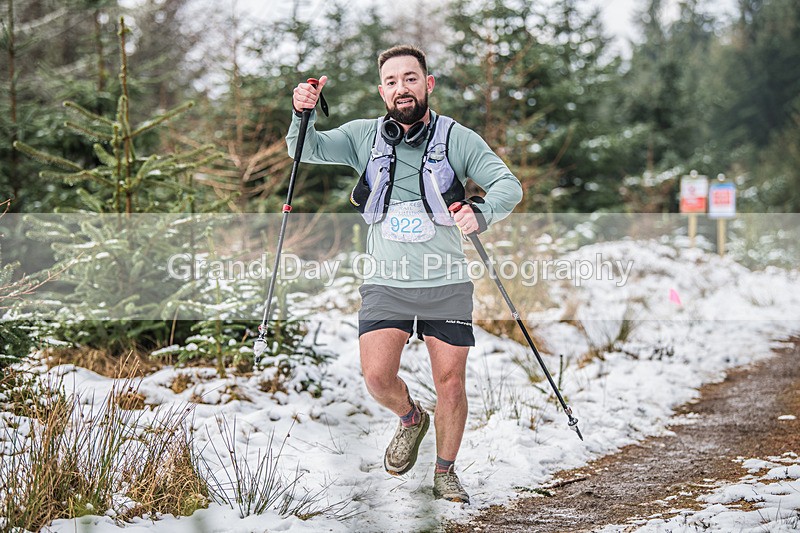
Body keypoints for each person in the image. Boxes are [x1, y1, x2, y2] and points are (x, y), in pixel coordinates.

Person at [287, 45, 523, 504]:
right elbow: (307, 148)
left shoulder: (457, 138)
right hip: (385, 283)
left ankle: (446, 472)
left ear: (428, 84)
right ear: (382, 91)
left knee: (451, 383)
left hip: (445, 283)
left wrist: (483, 211)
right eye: (392, 82)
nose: (402, 89)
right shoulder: (362, 137)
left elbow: (507, 185)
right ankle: (411, 418)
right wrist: (302, 112)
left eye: (411, 79)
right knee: (377, 377)